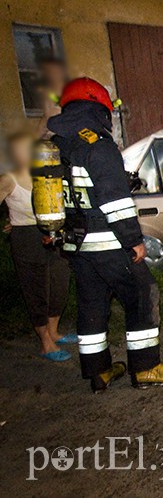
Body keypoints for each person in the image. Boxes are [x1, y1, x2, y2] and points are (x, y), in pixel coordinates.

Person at [47, 77, 163, 393]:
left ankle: (100, 372)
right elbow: (116, 201)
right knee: (142, 295)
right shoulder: (97, 144)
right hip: (109, 244)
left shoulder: (56, 145)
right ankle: (147, 368)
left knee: (92, 306)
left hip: (77, 246)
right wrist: (133, 240)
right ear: (99, 109)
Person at [1, 132, 74, 361]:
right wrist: (11, 222)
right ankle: (45, 343)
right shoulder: (8, 178)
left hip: (53, 233)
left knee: (59, 284)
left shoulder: (47, 173)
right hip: (26, 237)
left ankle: (54, 331)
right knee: (36, 289)